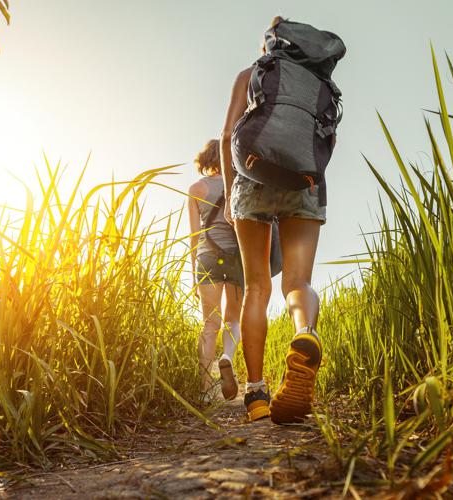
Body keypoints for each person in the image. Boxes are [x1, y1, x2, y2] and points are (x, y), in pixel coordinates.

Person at [220, 16, 336, 423]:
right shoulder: (317, 83)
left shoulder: (252, 73)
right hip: (304, 181)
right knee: (298, 282)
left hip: (251, 178)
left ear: (270, 42)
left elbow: (227, 136)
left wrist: (234, 197)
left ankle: (255, 394)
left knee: (256, 288)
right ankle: (306, 333)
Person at [187, 139, 244, 403]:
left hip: (206, 259)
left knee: (210, 324)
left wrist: (192, 272)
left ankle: (206, 390)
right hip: (235, 257)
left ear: (205, 160)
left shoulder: (196, 189)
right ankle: (227, 357)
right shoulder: (239, 185)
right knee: (233, 319)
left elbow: (194, 236)